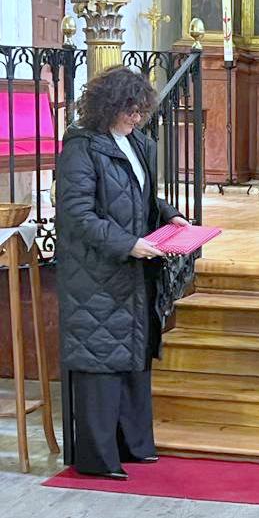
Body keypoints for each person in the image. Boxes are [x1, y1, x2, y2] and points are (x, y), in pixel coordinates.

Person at [56, 66, 188, 480]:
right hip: (97, 272)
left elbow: (143, 197)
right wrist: (126, 243)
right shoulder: (82, 147)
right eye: (130, 109)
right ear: (109, 106)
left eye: (141, 110)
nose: (137, 117)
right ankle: (98, 457)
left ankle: (133, 445)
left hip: (133, 271)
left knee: (133, 356)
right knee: (100, 361)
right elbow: (77, 214)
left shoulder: (139, 144)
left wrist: (170, 216)